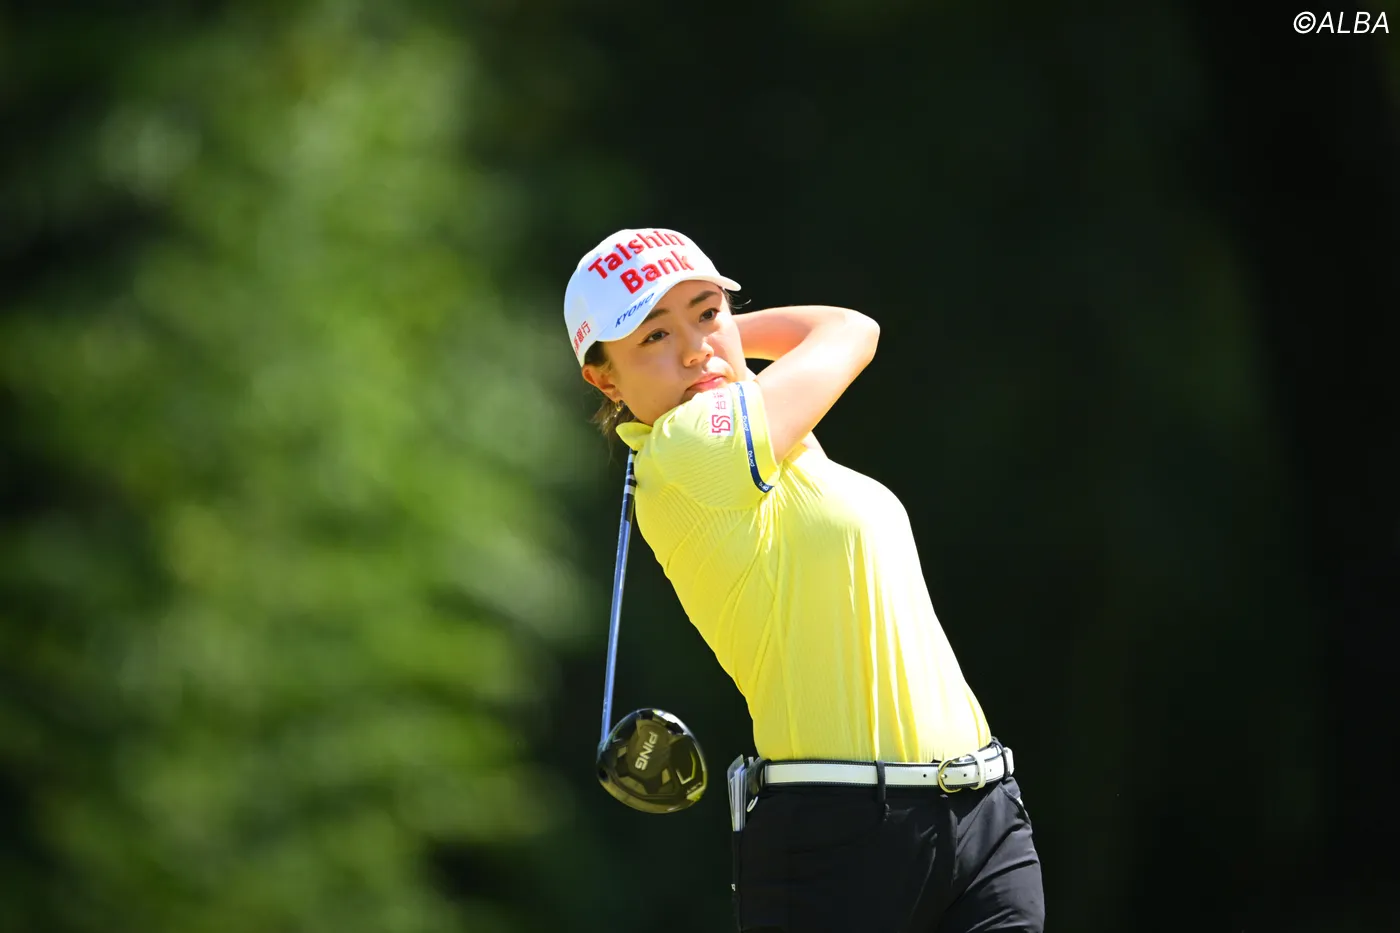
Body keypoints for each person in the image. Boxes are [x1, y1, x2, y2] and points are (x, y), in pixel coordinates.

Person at [563, 227, 1045, 933]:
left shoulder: (773, 437)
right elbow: (850, 330)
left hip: (984, 812)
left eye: (707, 311)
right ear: (605, 379)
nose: (694, 348)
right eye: (653, 336)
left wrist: (712, 339)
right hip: (839, 841)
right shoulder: (690, 446)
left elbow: (837, 330)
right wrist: (722, 338)